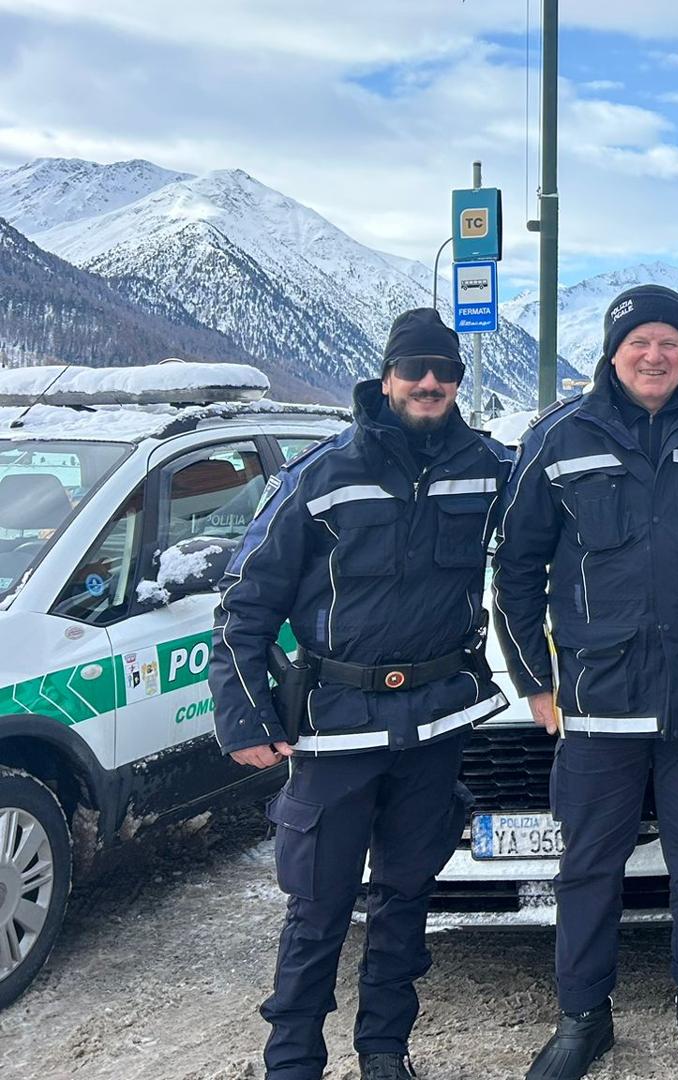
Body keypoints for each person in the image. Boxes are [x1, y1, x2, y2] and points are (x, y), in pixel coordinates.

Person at [493, 286, 678, 1080]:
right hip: (599, 703)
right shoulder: (558, 438)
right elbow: (516, 570)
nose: (654, 355)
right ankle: (582, 1018)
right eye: (639, 342)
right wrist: (535, 679)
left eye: (669, 342)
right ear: (613, 350)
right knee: (588, 868)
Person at [209, 308, 512, 1080]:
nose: (430, 382)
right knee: (318, 906)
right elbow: (244, 602)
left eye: (445, 371)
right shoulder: (321, 474)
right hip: (337, 726)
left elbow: (560, 513)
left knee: (406, 898)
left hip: (434, 722)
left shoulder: (487, 466)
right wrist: (243, 713)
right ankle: (292, 1060)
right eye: (415, 369)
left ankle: (384, 1051)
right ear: (386, 378)